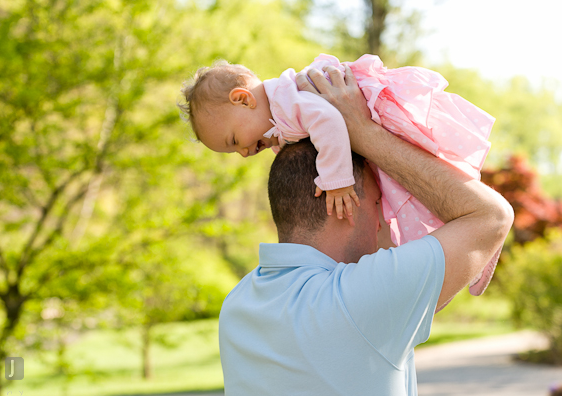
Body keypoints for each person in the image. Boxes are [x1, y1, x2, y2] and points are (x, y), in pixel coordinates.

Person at [218, 66, 514, 396]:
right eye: (378, 203)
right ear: (342, 206)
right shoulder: (361, 298)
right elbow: (493, 216)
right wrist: (362, 131)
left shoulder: (238, 307)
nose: (383, 223)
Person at [179, 53, 500, 296]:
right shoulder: (278, 118)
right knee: (398, 203)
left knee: (413, 190)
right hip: (366, 130)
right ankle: (467, 244)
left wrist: (337, 182)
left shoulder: (287, 101)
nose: (244, 152)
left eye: (235, 141)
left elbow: (327, 122)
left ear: (243, 99)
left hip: (379, 117)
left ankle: (473, 240)